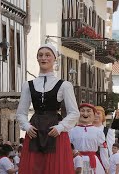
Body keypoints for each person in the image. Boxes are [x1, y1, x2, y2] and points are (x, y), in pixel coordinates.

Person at [16, 44, 79, 174]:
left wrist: (60, 127)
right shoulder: (28, 85)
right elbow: (21, 113)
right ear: (37, 58)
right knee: (33, 168)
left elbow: (74, 112)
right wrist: (26, 127)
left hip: (55, 132)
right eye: (40, 55)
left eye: (47, 55)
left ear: (54, 58)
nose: (43, 58)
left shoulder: (65, 85)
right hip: (35, 131)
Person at [69, 103, 106, 173]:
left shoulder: (98, 132)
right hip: (76, 161)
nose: (85, 113)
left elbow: (103, 150)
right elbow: (67, 148)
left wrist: (106, 166)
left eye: (88, 111)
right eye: (82, 111)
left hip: (93, 162)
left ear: (93, 114)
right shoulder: (72, 131)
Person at [93, 106, 116, 173]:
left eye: (98, 113)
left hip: (103, 161)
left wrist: (109, 166)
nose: (96, 115)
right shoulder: (86, 130)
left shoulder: (108, 131)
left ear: (103, 116)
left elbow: (110, 149)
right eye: (94, 113)